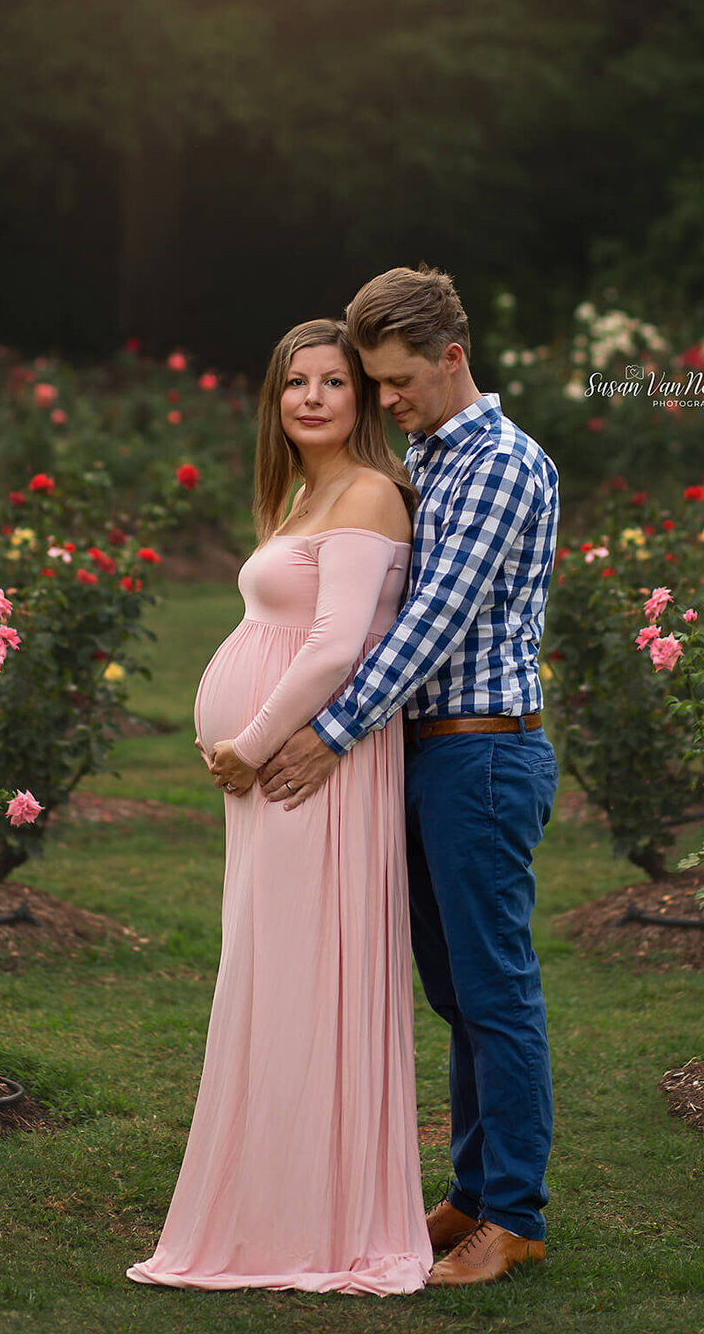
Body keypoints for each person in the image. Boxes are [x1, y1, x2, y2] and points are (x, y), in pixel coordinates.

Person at [256, 265, 560, 1287]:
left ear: (452, 358)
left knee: (497, 990)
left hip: (481, 751)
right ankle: (473, 1192)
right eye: (374, 384)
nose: (387, 401)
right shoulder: (434, 456)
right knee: (457, 993)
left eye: (398, 381)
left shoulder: (502, 463)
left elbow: (431, 624)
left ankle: (514, 1214)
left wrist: (331, 730)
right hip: (429, 756)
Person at [126, 318, 433, 1295]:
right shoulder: (308, 491)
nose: (310, 397)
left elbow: (340, 647)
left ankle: (318, 1218)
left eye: (331, 383)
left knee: (304, 975)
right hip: (272, 774)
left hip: (309, 769)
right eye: (295, 382)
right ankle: (278, 1200)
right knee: (271, 973)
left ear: (363, 397)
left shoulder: (370, 493)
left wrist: (250, 746)